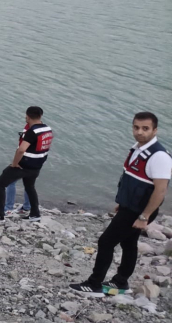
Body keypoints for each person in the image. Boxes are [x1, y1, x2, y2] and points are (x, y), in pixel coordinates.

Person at [70, 112, 171, 297]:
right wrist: (122, 202)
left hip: (138, 211)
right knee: (129, 243)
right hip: (129, 207)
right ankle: (121, 282)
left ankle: (94, 285)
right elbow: (132, 179)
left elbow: (160, 191)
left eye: (145, 128)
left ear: (155, 130)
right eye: (136, 127)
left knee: (106, 242)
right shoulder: (137, 149)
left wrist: (144, 216)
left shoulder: (159, 156)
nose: (139, 132)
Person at [0, 107, 53, 222]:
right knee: (30, 187)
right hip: (37, 165)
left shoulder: (32, 132)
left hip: (24, 165)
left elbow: (21, 150)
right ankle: (35, 214)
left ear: (27, 116)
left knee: (0, 184)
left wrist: (14, 163)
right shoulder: (47, 129)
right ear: (40, 116)